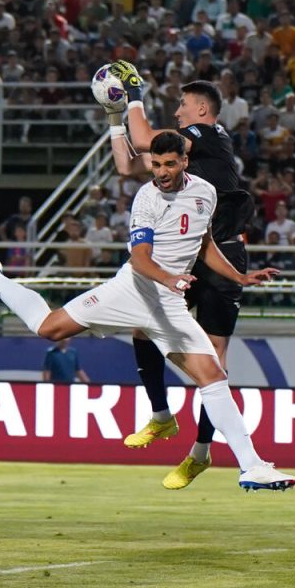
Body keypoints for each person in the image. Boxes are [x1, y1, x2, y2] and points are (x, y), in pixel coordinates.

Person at [0, 133, 295, 492]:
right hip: (132, 291)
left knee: (213, 378)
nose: (162, 172)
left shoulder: (205, 192)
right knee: (49, 328)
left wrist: (239, 276)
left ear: (184, 161)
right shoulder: (147, 198)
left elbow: (202, 243)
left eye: (169, 164)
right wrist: (170, 277)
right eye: (156, 165)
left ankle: (252, 466)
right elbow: (140, 259)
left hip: (168, 304)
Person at [106, 63, 257, 489]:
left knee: (214, 357)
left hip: (224, 249)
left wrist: (135, 91)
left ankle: (201, 452)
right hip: (189, 256)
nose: (176, 111)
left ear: (203, 109)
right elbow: (130, 165)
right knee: (141, 326)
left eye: (183, 105)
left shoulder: (209, 135)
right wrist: (114, 120)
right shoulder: (190, 156)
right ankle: (160, 415)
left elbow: (143, 138)